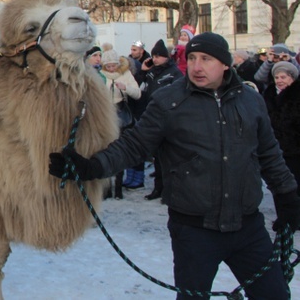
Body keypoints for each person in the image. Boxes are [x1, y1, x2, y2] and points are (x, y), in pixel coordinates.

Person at [50, 32, 300, 300]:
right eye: (191, 58)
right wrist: (91, 167)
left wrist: (287, 197)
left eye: (206, 59)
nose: (196, 66)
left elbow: (269, 155)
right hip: (194, 231)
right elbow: (134, 144)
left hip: (248, 228)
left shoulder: (250, 100)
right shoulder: (169, 100)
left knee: (274, 295)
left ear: (226, 63)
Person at [135, 39, 182, 200]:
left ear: (166, 57)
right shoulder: (151, 72)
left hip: (170, 118)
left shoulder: (174, 72)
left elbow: (179, 92)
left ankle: (170, 190)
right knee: (157, 157)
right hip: (153, 117)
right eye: (154, 56)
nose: (155, 59)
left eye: (159, 56)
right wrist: (142, 71)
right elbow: (138, 87)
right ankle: (158, 188)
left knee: (169, 157)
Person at [99, 47, 142, 192]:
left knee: (119, 150)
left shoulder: (126, 74)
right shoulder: (100, 75)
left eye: (114, 65)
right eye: (108, 66)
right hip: (104, 114)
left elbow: (137, 94)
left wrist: (125, 88)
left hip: (120, 113)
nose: (111, 69)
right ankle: (107, 187)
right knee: (105, 150)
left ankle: (118, 186)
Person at [263, 61, 300, 192]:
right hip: (275, 150)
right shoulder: (268, 95)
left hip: (295, 151)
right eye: (277, 77)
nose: (279, 80)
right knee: (280, 189)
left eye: (283, 77)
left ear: (292, 78)